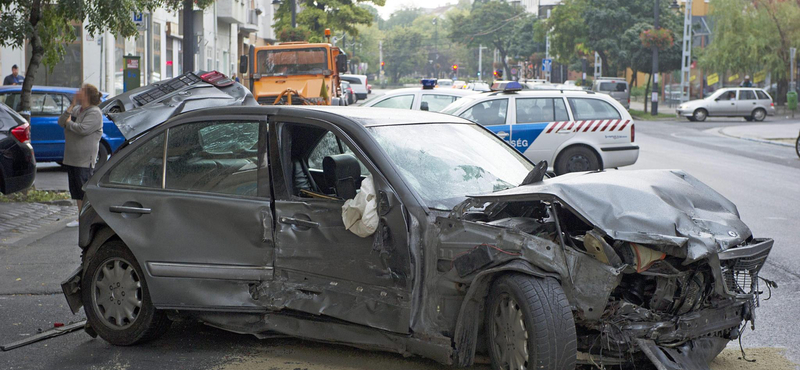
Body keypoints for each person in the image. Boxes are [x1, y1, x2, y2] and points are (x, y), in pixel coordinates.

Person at [58, 84, 103, 228]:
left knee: (84, 191)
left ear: (87, 95)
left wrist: (69, 123)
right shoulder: (78, 109)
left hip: (84, 159)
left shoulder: (94, 113)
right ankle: (80, 217)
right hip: (71, 157)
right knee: (76, 191)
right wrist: (71, 106)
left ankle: (88, 219)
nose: (77, 92)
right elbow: (61, 122)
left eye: (81, 91)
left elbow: (82, 129)